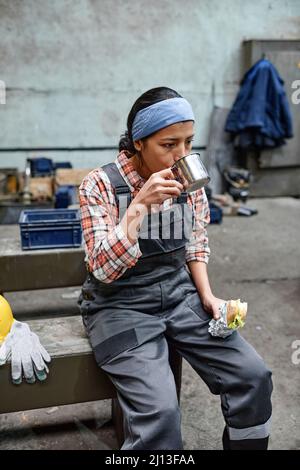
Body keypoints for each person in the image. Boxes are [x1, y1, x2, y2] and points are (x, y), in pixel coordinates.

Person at [78, 87, 273, 450]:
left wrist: (207, 296)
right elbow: (101, 269)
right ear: (139, 142)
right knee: (161, 416)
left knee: (252, 376)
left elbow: (195, 244)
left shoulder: (187, 178)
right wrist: (138, 207)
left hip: (179, 296)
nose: (181, 155)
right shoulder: (99, 185)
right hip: (119, 307)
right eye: (169, 145)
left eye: (188, 142)